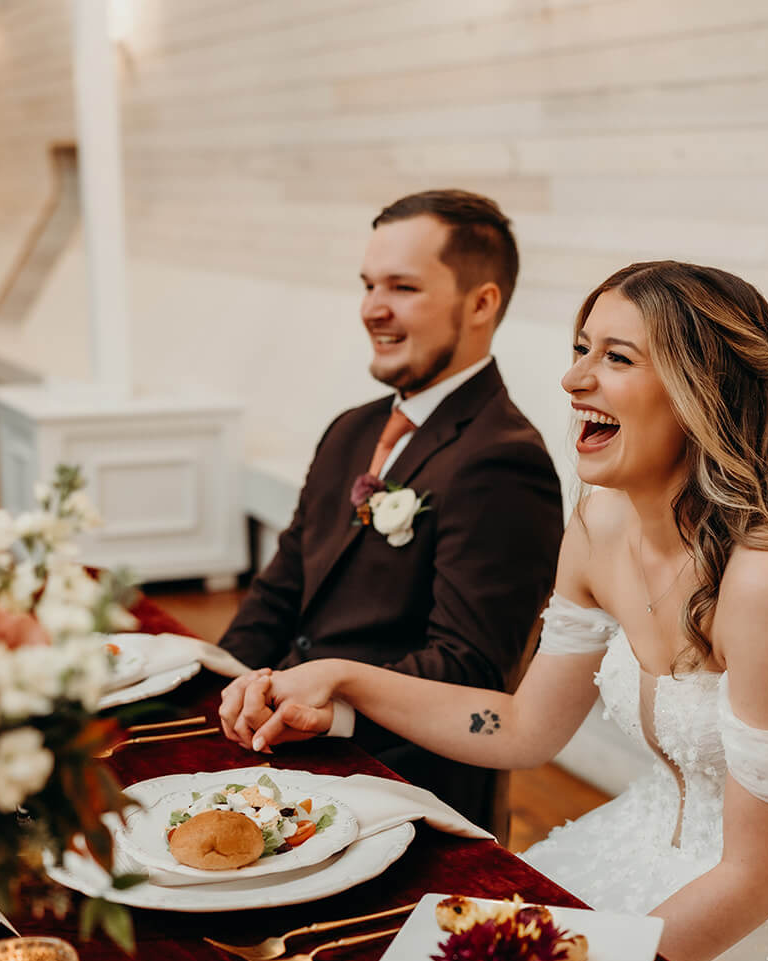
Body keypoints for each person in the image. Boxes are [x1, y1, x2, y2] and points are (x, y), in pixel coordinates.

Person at [220, 261, 768, 961]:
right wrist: (346, 680)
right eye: (579, 348)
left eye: (616, 357)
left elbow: (758, 876)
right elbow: (525, 728)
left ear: (697, 391)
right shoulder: (599, 525)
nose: (572, 378)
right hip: (645, 842)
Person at [216, 189, 564, 831]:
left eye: (402, 287)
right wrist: (229, 690)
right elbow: (280, 589)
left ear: (481, 303)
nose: (373, 309)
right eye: (369, 285)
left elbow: (471, 670)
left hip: (402, 793)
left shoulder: (504, 461)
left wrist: (330, 704)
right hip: (286, 753)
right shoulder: (351, 430)